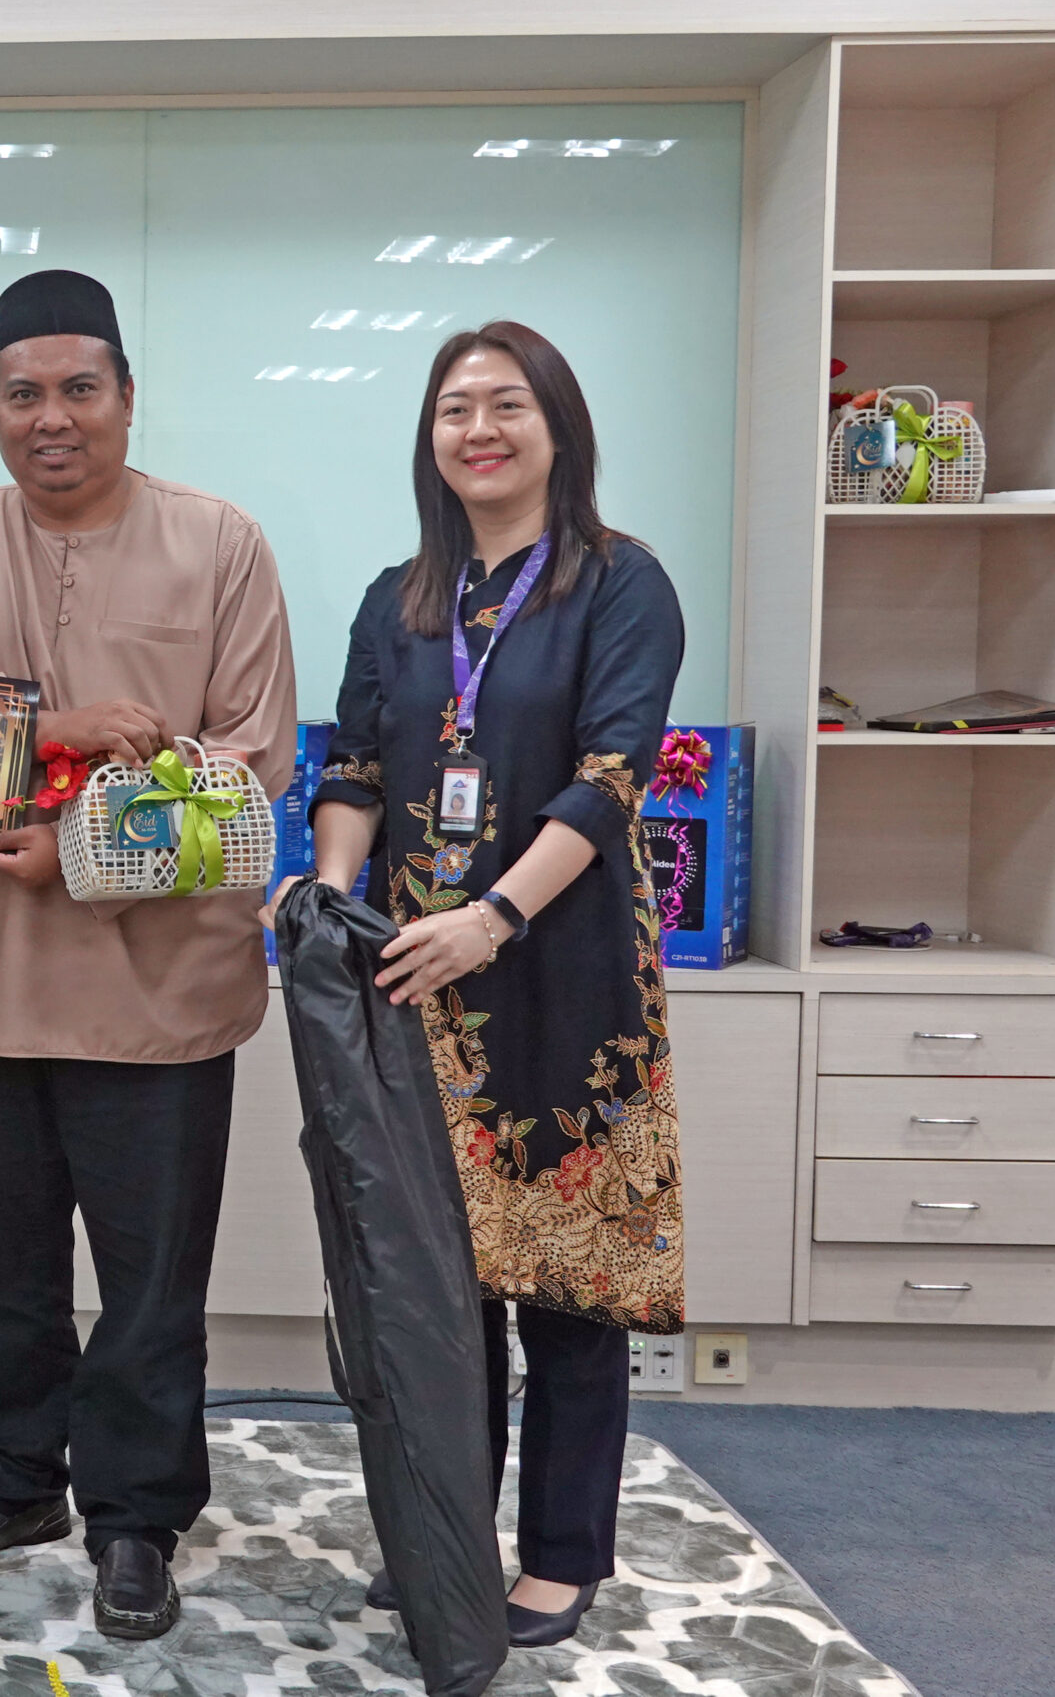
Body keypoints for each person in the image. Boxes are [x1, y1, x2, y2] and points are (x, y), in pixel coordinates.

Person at [0, 269, 298, 1640]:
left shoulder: (219, 543)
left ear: (125, 396)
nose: (50, 418)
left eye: (77, 389)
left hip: (161, 989)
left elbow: (250, 767)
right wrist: (55, 730)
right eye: (22, 394)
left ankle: (136, 1521)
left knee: (151, 1278)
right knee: (3, 1267)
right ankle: (14, 1480)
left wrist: (80, 847)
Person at [274, 319, 686, 1648]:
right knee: (441, 1293)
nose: (479, 430)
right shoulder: (399, 599)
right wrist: (338, 898)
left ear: (558, 427)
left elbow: (613, 779)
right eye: (455, 409)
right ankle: (450, 1530)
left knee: (565, 1284)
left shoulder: (620, 582)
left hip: (564, 977)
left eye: (507, 404)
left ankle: (562, 1555)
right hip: (418, 988)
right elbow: (353, 769)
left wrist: (496, 916)